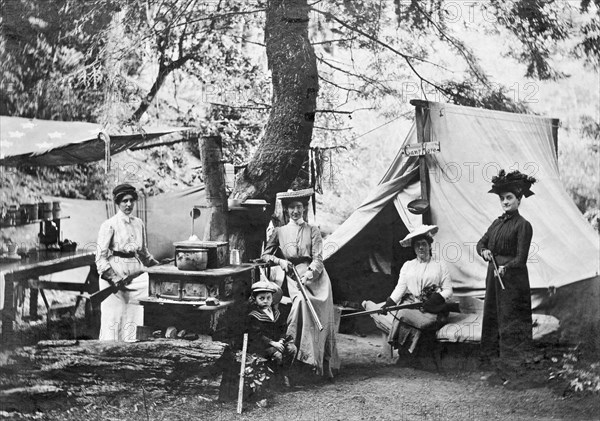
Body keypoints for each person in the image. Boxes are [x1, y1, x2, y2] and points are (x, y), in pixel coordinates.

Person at [262, 188, 340, 379]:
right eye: (291, 208)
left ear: (304, 209)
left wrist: (310, 275)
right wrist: (281, 262)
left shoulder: (313, 230)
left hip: (317, 279)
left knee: (315, 309)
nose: (295, 211)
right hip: (293, 276)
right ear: (287, 210)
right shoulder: (279, 232)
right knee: (300, 304)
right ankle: (297, 360)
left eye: (299, 207)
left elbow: (319, 258)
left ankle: (317, 363)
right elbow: (265, 255)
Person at [476, 169, 537, 375]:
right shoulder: (496, 223)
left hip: (513, 282)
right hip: (493, 279)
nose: (505, 201)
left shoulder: (523, 226)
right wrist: (484, 251)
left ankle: (512, 368)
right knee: (492, 317)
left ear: (519, 200)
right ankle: (491, 365)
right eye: (502, 198)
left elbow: (521, 259)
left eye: (509, 197)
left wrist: (505, 267)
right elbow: (481, 243)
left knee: (510, 320)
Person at [363, 225, 453, 359]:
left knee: (411, 318)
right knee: (403, 313)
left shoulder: (440, 265)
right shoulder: (408, 266)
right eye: (417, 245)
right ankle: (406, 355)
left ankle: (416, 356)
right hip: (413, 305)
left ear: (429, 246)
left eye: (423, 244)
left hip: (433, 307)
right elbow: (400, 288)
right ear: (414, 248)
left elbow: (448, 291)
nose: (421, 248)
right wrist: (388, 304)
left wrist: (436, 298)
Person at [95, 183, 159, 341]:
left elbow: (144, 254)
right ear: (118, 203)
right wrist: (114, 278)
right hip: (115, 277)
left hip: (136, 276)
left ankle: (134, 348)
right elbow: (100, 258)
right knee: (114, 318)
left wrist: (159, 267)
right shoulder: (109, 225)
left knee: (136, 313)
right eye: (124, 201)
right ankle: (110, 351)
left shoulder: (138, 223)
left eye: (131, 200)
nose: (129, 204)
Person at [247, 279, 297, 385]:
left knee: (292, 349)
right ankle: (277, 378)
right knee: (277, 354)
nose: (265, 301)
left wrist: (281, 340)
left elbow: (283, 328)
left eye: (268, 298)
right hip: (262, 346)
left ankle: (284, 372)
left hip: (278, 342)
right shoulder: (254, 316)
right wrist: (273, 343)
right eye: (261, 298)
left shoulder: (276, 313)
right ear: (255, 300)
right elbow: (257, 335)